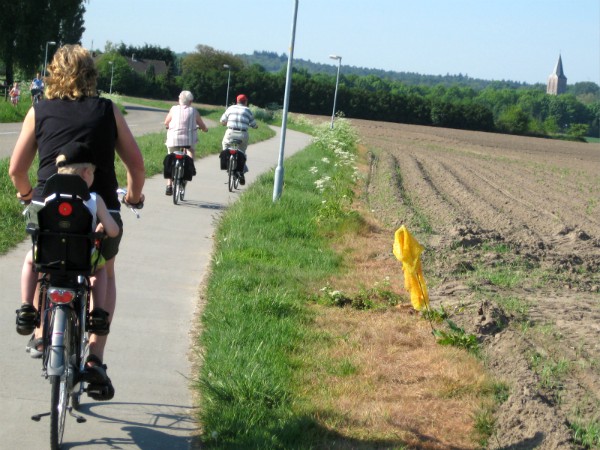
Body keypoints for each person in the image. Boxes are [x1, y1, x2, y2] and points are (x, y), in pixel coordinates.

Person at [9, 44, 145, 401]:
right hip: (96, 208)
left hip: (48, 206)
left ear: (54, 73)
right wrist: (132, 197)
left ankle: (40, 330)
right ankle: (96, 359)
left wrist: (28, 197)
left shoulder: (38, 111)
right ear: (91, 75)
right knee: (103, 270)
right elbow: (137, 166)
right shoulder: (107, 110)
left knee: (44, 262)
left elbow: (16, 170)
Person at [17, 143, 120, 369]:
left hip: (48, 258)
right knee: (101, 270)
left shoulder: (44, 194)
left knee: (29, 260)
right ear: (86, 173)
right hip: (82, 260)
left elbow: (31, 225)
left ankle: (26, 306)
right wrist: (101, 227)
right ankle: (98, 313)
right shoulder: (94, 199)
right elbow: (113, 231)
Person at [164, 90, 208, 195]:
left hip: (173, 139)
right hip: (188, 140)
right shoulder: (194, 111)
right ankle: (190, 167)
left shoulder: (173, 109)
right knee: (190, 151)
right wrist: (205, 129)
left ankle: (169, 185)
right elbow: (202, 125)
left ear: (179, 100)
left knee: (170, 158)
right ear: (191, 101)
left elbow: (166, 122)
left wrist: (167, 126)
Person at [220, 94, 258, 185]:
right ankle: (240, 171)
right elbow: (254, 124)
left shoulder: (230, 108)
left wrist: (225, 123)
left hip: (230, 132)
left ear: (237, 101)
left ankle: (227, 162)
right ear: (245, 102)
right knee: (242, 153)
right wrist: (255, 126)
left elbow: (222, 121)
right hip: (242, 134)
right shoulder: (247, 110)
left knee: (225, 145)